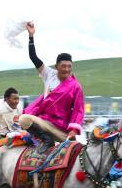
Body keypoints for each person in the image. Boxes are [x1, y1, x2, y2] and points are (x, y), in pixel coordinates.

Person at [18, 22, 85, 153]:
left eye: (69, 66)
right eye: (63, 66)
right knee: (23, 119)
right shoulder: (48, 74)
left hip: (61, 129)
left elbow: (78, 110)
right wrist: (31, 36)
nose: (67, 69)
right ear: (56, 66)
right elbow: (33, 57)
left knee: (78, 151)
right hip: (44, 123)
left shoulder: (75, 86)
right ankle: (47, 141)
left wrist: (72, 131)